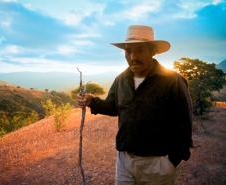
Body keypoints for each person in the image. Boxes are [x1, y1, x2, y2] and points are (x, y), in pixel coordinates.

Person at [77, 25, 193, 185]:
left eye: (139, 50)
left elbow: (184, 123)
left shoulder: (172, 81)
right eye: (128, 51)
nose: (132, 57)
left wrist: (173, 160)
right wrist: (92, 101)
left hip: (158, 165)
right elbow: (113, 107)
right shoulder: (121, 80)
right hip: (124, 161)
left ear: (152, 51)